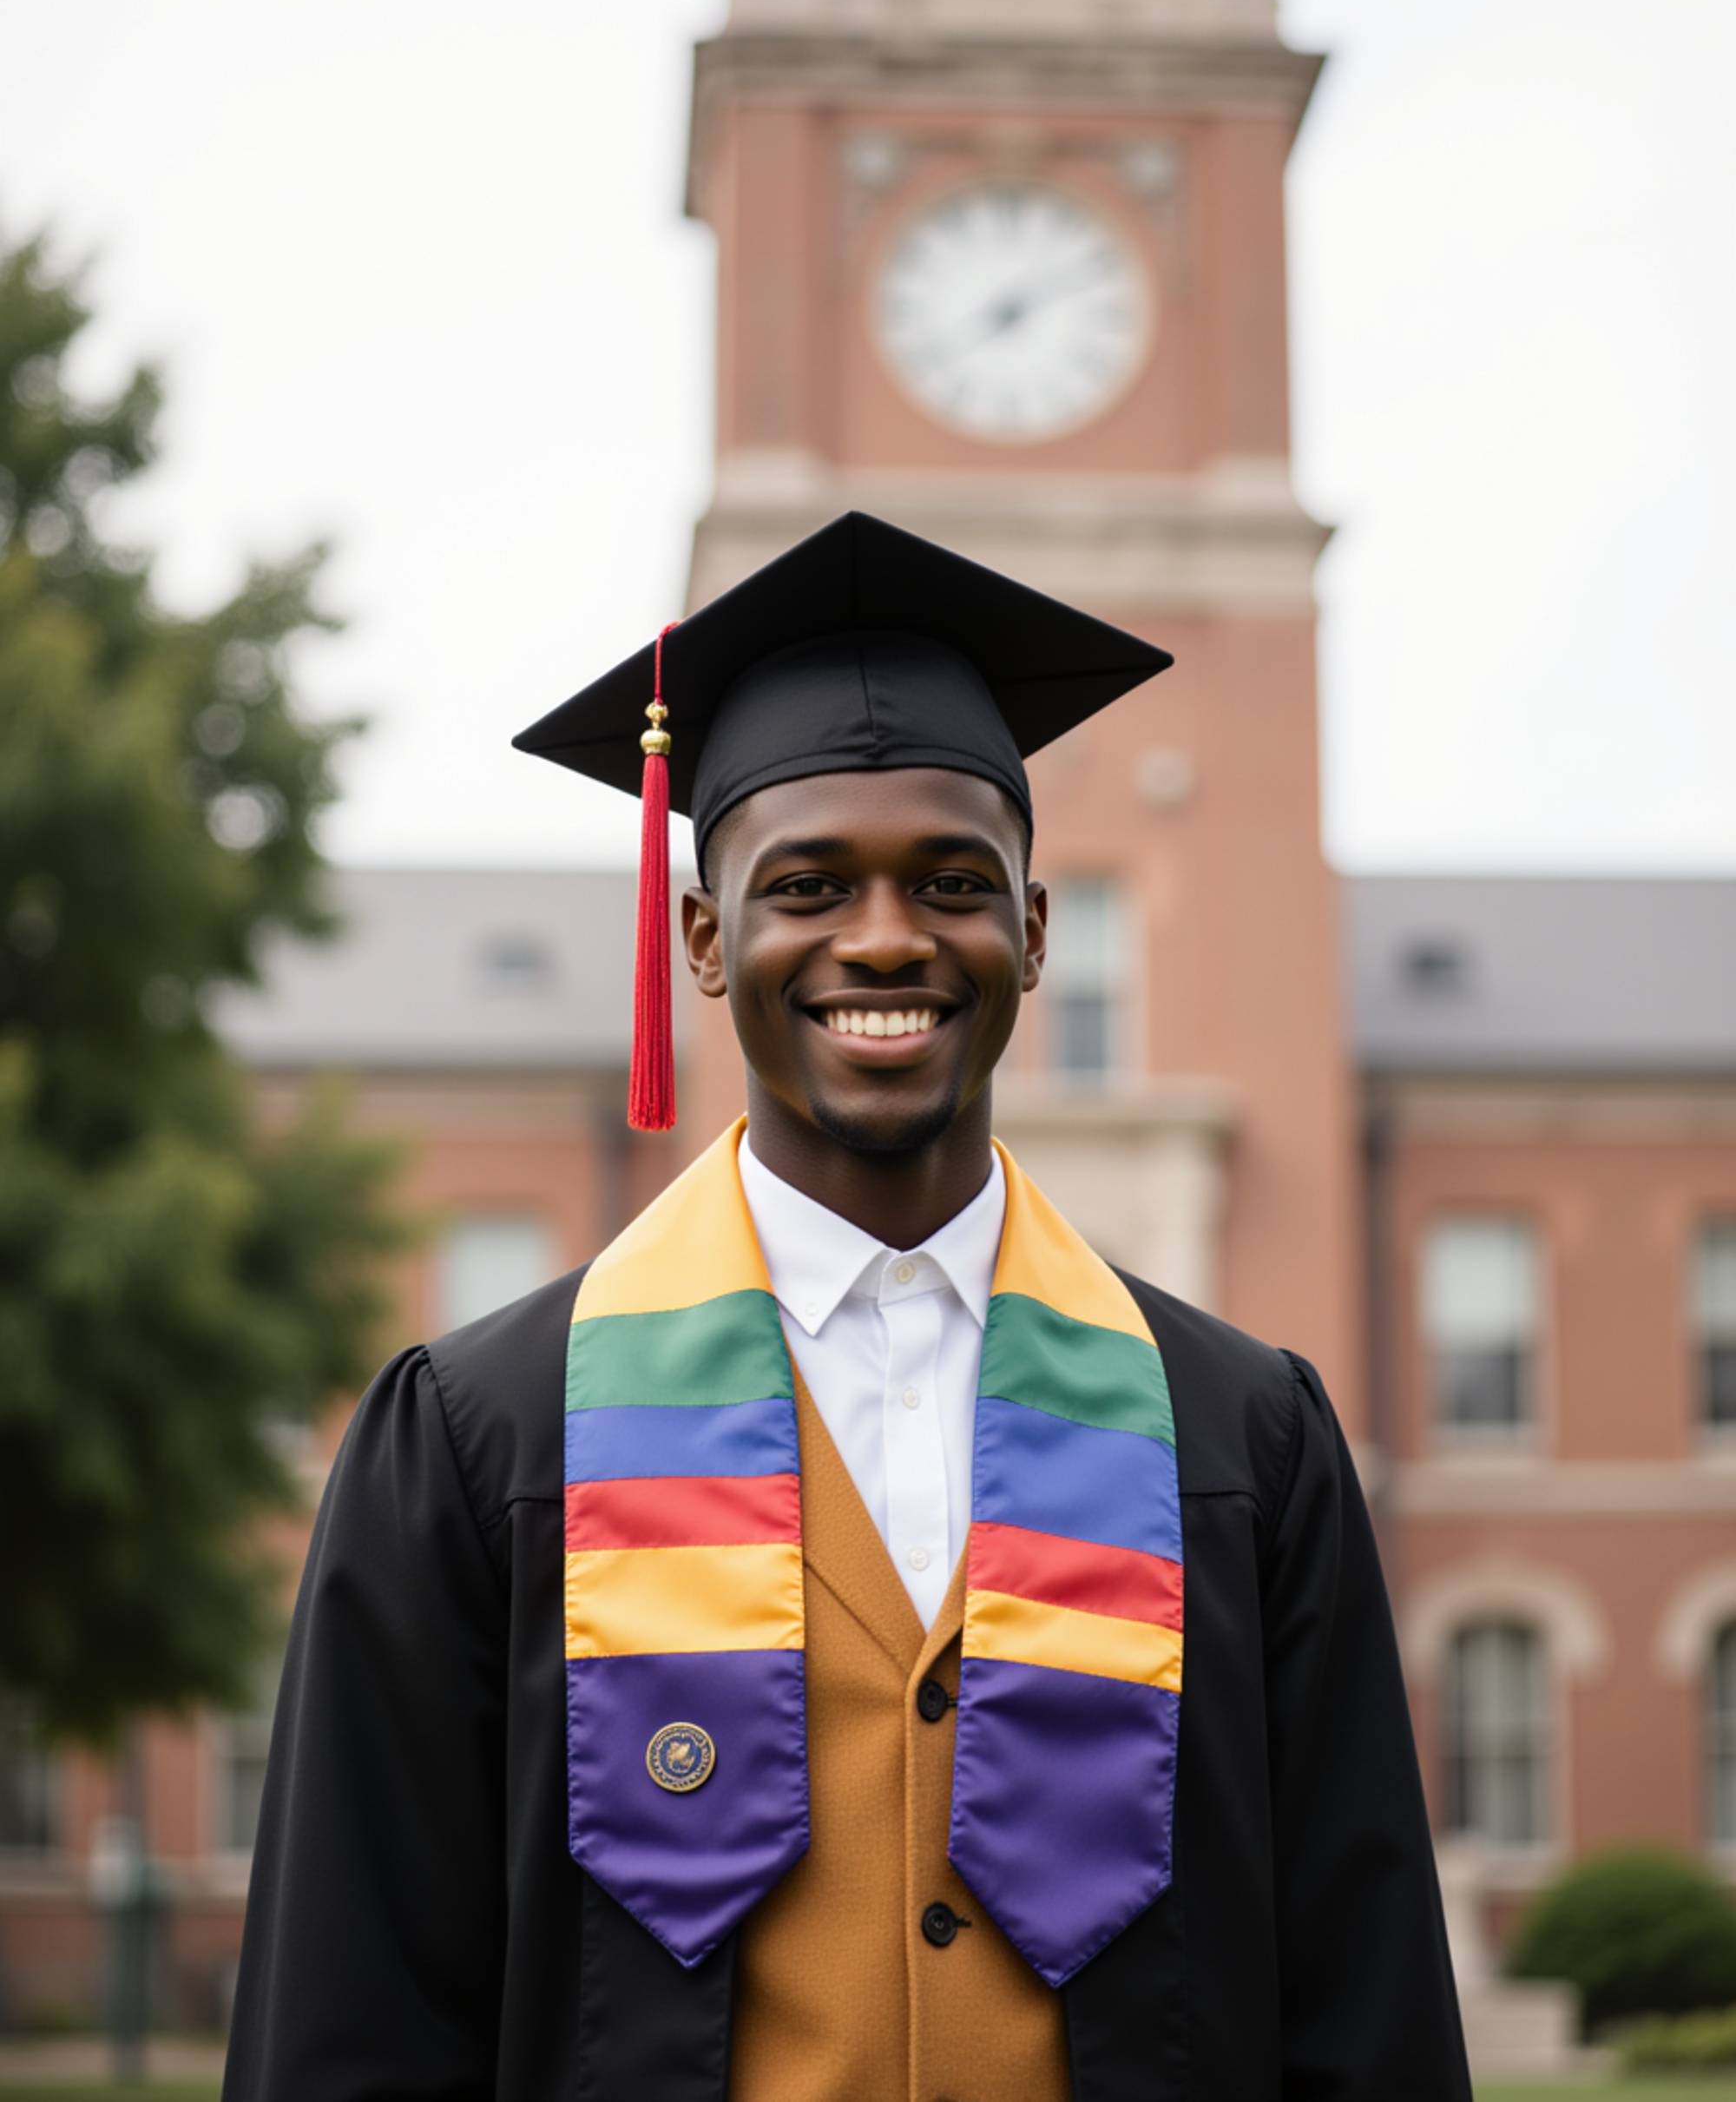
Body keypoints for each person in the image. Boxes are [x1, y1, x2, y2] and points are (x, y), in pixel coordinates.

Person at [222, 512, 1472, 2100]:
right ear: (702, 938)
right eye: (807, 885)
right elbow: (356, 2025)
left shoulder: (1237, 1438)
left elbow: (1366, 2027)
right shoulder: (485, 1441)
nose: (885, 937)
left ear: (1032, 930)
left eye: (953, 882)